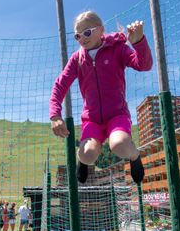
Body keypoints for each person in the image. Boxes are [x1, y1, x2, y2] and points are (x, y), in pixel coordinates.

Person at [49, 11, 152, 184]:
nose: (82, 38)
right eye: (77, 36)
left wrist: (138, 42)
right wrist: (55, 115)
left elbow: (144, 65)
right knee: (88, 154)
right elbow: (60, 85)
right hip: (92, 119)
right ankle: (82, 161)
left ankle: (135, 156)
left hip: (117, 115)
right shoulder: (77, 59)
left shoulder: (118, 49)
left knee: (119, 145)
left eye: (87, 32)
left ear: (101, 30)